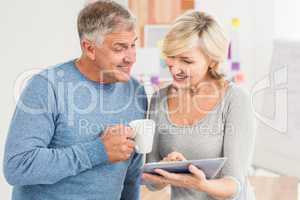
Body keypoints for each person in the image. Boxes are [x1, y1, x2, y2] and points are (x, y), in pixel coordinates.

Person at [3, 1, 147, 200]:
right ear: (89, 48)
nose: (131, 57)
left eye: (133, 45)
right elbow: (18, 166)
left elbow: (130, 175)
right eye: (120, 48)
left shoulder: (135, 91)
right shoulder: (47, 86)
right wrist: (98, 151)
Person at [143, 11, 256, 200]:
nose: (174, 68)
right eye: (171, 56)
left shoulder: (235, 99)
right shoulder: (159, 99)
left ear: (212, 60)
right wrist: (165, 170)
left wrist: (200, 184)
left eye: (186, 61)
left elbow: (234, 185)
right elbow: (151, 182)